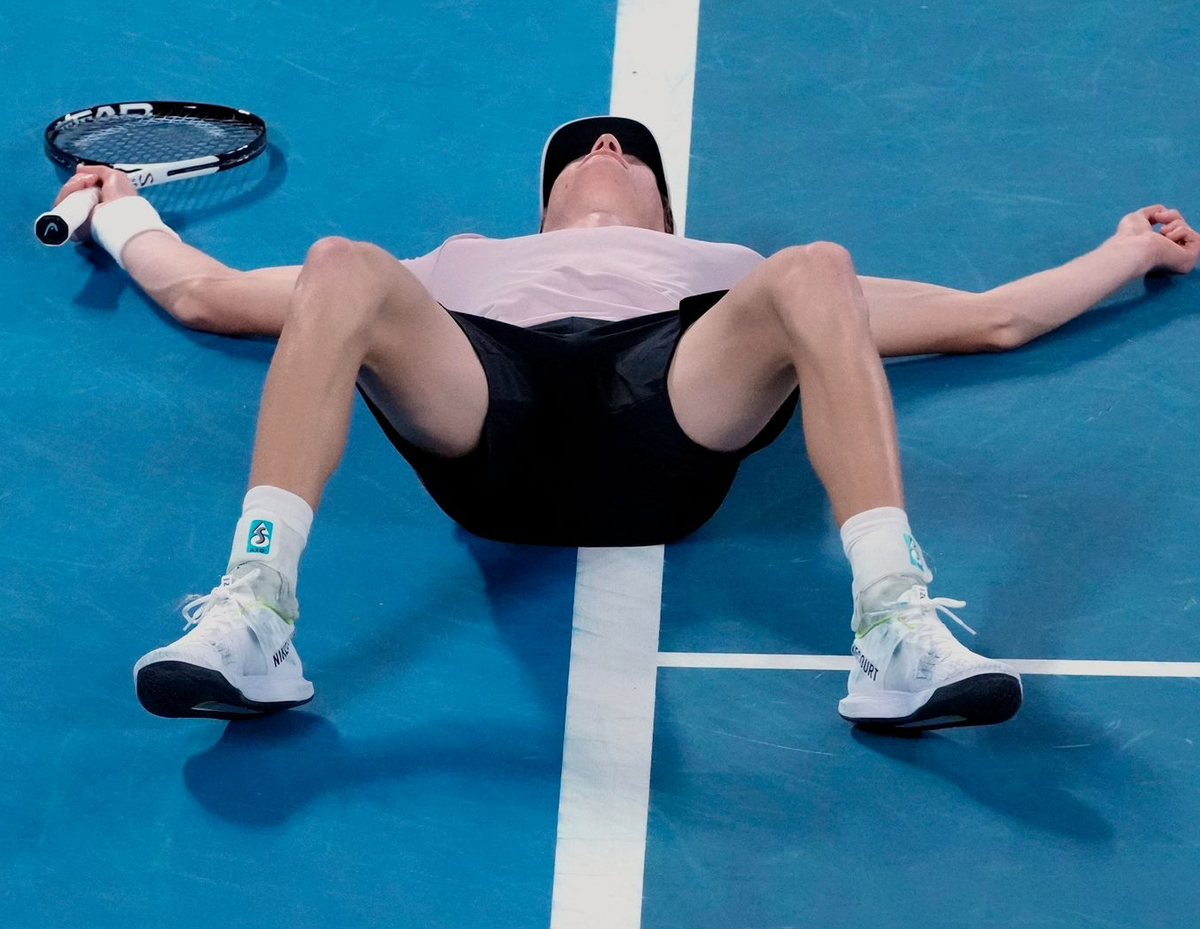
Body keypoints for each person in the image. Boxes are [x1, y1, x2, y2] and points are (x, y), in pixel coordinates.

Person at [50, 116, 1198, 730]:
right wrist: (119, 220)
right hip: (487, 410)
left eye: (631, 147)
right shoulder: (452, 263)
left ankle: (897, 635)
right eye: (587, 143)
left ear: (661, 200)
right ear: (542, 196)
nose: (610, 148)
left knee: (818, 269)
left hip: (669, 408)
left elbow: (991, 320)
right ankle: (254, 618)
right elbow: (205, 292)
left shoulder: (731, 269)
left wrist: (1129, 249)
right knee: (342, 264)